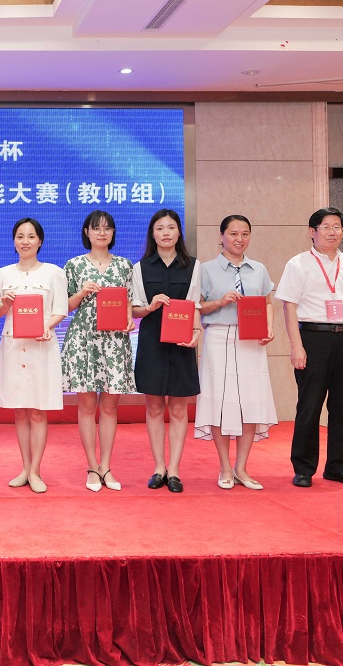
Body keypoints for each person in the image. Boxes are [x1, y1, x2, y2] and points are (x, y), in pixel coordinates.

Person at [275, 207, 343, 488]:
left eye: (337, 227)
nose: (332, 232)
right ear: (312, 231)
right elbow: (289, 307)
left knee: (342, 407)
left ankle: (337, 467)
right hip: (313, 339)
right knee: (309, 405)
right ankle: (304, 468)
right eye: (326, 227)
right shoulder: (298, 264)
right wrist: (296, 346)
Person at [196, 215, 278, 490]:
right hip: (219, 337)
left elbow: (267, 303)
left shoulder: (259, 269)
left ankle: (241, 467)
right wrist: (220, 302)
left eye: (245, 234)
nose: (239, 239)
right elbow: (197, 306)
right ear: (221, 236)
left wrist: (269, 328)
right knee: (219, 402)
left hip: (251, 339)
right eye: (233, 233)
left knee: (251, 401)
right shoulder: (206, 269)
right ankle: (224, 467)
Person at [60, 210, 135, 493]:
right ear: (87, 232)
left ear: (113, 233)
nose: (102, 233)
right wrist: (81, 293)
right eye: (96, 228)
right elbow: (65, 306)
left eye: (107, 228)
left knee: (110, 406)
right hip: (83, 340)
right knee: (87, 406)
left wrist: (130, 319)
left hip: (114, 341)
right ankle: (92, 466)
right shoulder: (74, 265)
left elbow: (129, 303)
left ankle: (106, 466)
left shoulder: (125, 265)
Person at [0, 217, 68, 494]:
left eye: (31, 236)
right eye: (20, 237)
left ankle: (36, 471)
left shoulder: (53, 273)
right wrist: (5, 303)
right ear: (14, 242)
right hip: (13, 347)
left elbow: (60, 309)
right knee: (20, 411)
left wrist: (46, 326)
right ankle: (25, 468)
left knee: (37, 410)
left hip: (41, 348)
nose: (25, 241)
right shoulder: (2, 274)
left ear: (40, 241)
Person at [131, 209, 201, 494]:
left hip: (182, 343)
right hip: (152, 342)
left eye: (171, 227)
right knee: (155, 407)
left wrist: (196, 332)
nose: (166, 233)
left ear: (179, 232)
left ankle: (174, 470)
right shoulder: (140, 267)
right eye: (160, 228)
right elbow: (135, 310)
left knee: (179, 408)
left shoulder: (193, 265)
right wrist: (150, 307)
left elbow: (195, 305)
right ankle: (159, 467)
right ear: (153, 233)